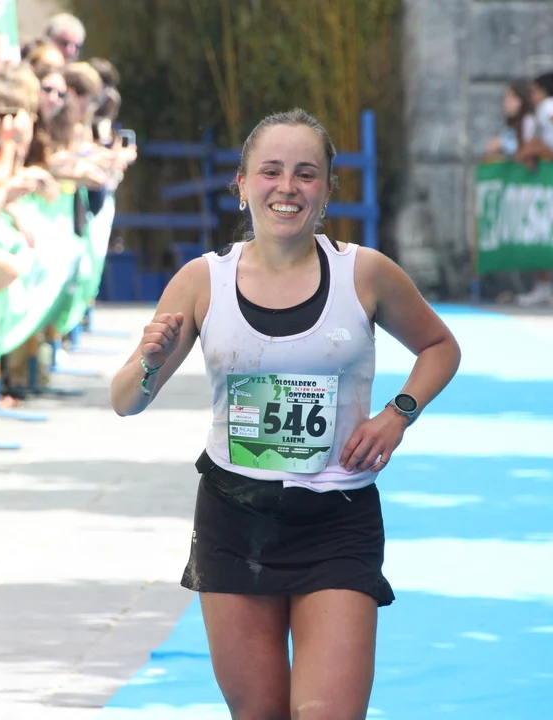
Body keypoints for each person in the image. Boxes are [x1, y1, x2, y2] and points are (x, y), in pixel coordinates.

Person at [109, 109, 462, 719]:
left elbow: (440, 346)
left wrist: (398, 414)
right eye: (270, 171)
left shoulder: (365, 273)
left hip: (338, 517)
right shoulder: (202, 280)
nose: (287, 187)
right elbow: (126, 401)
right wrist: (149, 359)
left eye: (305, 173)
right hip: (234, 518)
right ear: (242, 184)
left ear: (326, 189)